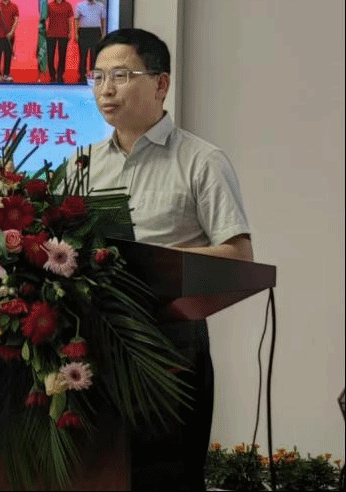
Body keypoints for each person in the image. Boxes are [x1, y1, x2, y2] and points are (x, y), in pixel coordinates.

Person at [76, 27, 252, 492]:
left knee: (164, 479)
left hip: (170, 347)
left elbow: (239, 254)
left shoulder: (201, 160)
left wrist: (150, 262)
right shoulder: (82, 164)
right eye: (97, 77)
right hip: (92, 348)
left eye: (120, 76)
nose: (106, 89)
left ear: (161, 83)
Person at [73, 0, 107, 84]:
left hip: (95, 32)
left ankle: (93, 75)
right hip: (83, 32)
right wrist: (76, 34)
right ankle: (82, 76)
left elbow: (103, 20)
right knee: (83, 55)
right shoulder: (80, 5)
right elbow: (76, 20)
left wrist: (103, 33)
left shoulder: (100, 6)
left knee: (94, 55)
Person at [45, 0, 73, 84]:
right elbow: (44, 18)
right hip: (51, 34)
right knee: (50, 56)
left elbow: (70, 20)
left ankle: (60, 74)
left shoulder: (68, 5)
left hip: (63, 34)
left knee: (62, 56)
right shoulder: (49, 5)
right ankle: (52, 75)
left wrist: (70, 32)